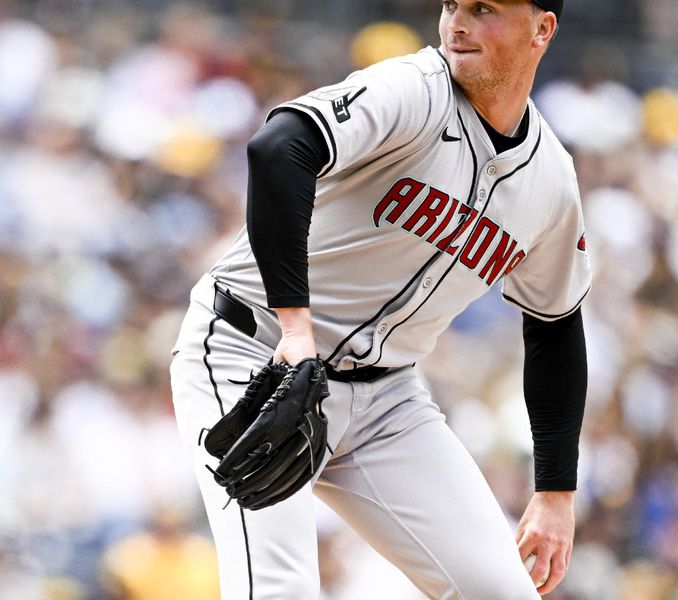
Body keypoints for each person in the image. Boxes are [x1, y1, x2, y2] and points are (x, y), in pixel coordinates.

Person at [170, 0, 591, 598]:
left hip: (386, 398)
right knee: (277, 588)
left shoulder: (550, 180)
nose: (458, 23)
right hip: (254, 352)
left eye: (483, 9)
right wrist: (296, 328)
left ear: (542, 29)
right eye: (451, 5)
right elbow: (279, 147)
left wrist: (555, 495)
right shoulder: (414, 90)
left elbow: (555, 325)